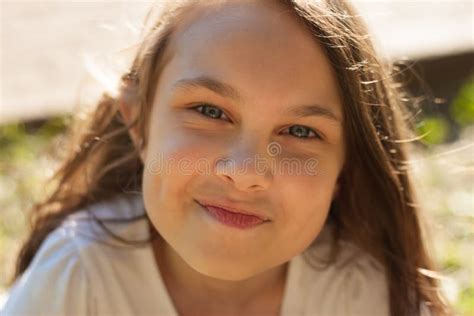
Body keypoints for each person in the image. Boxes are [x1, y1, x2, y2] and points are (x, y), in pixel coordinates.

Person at [2, 0, 452, 315]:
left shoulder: (365, 294)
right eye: (210, 111)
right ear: (138, 122)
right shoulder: (77, 281)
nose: (245, 173)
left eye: (300, 131)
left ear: (345, 169)